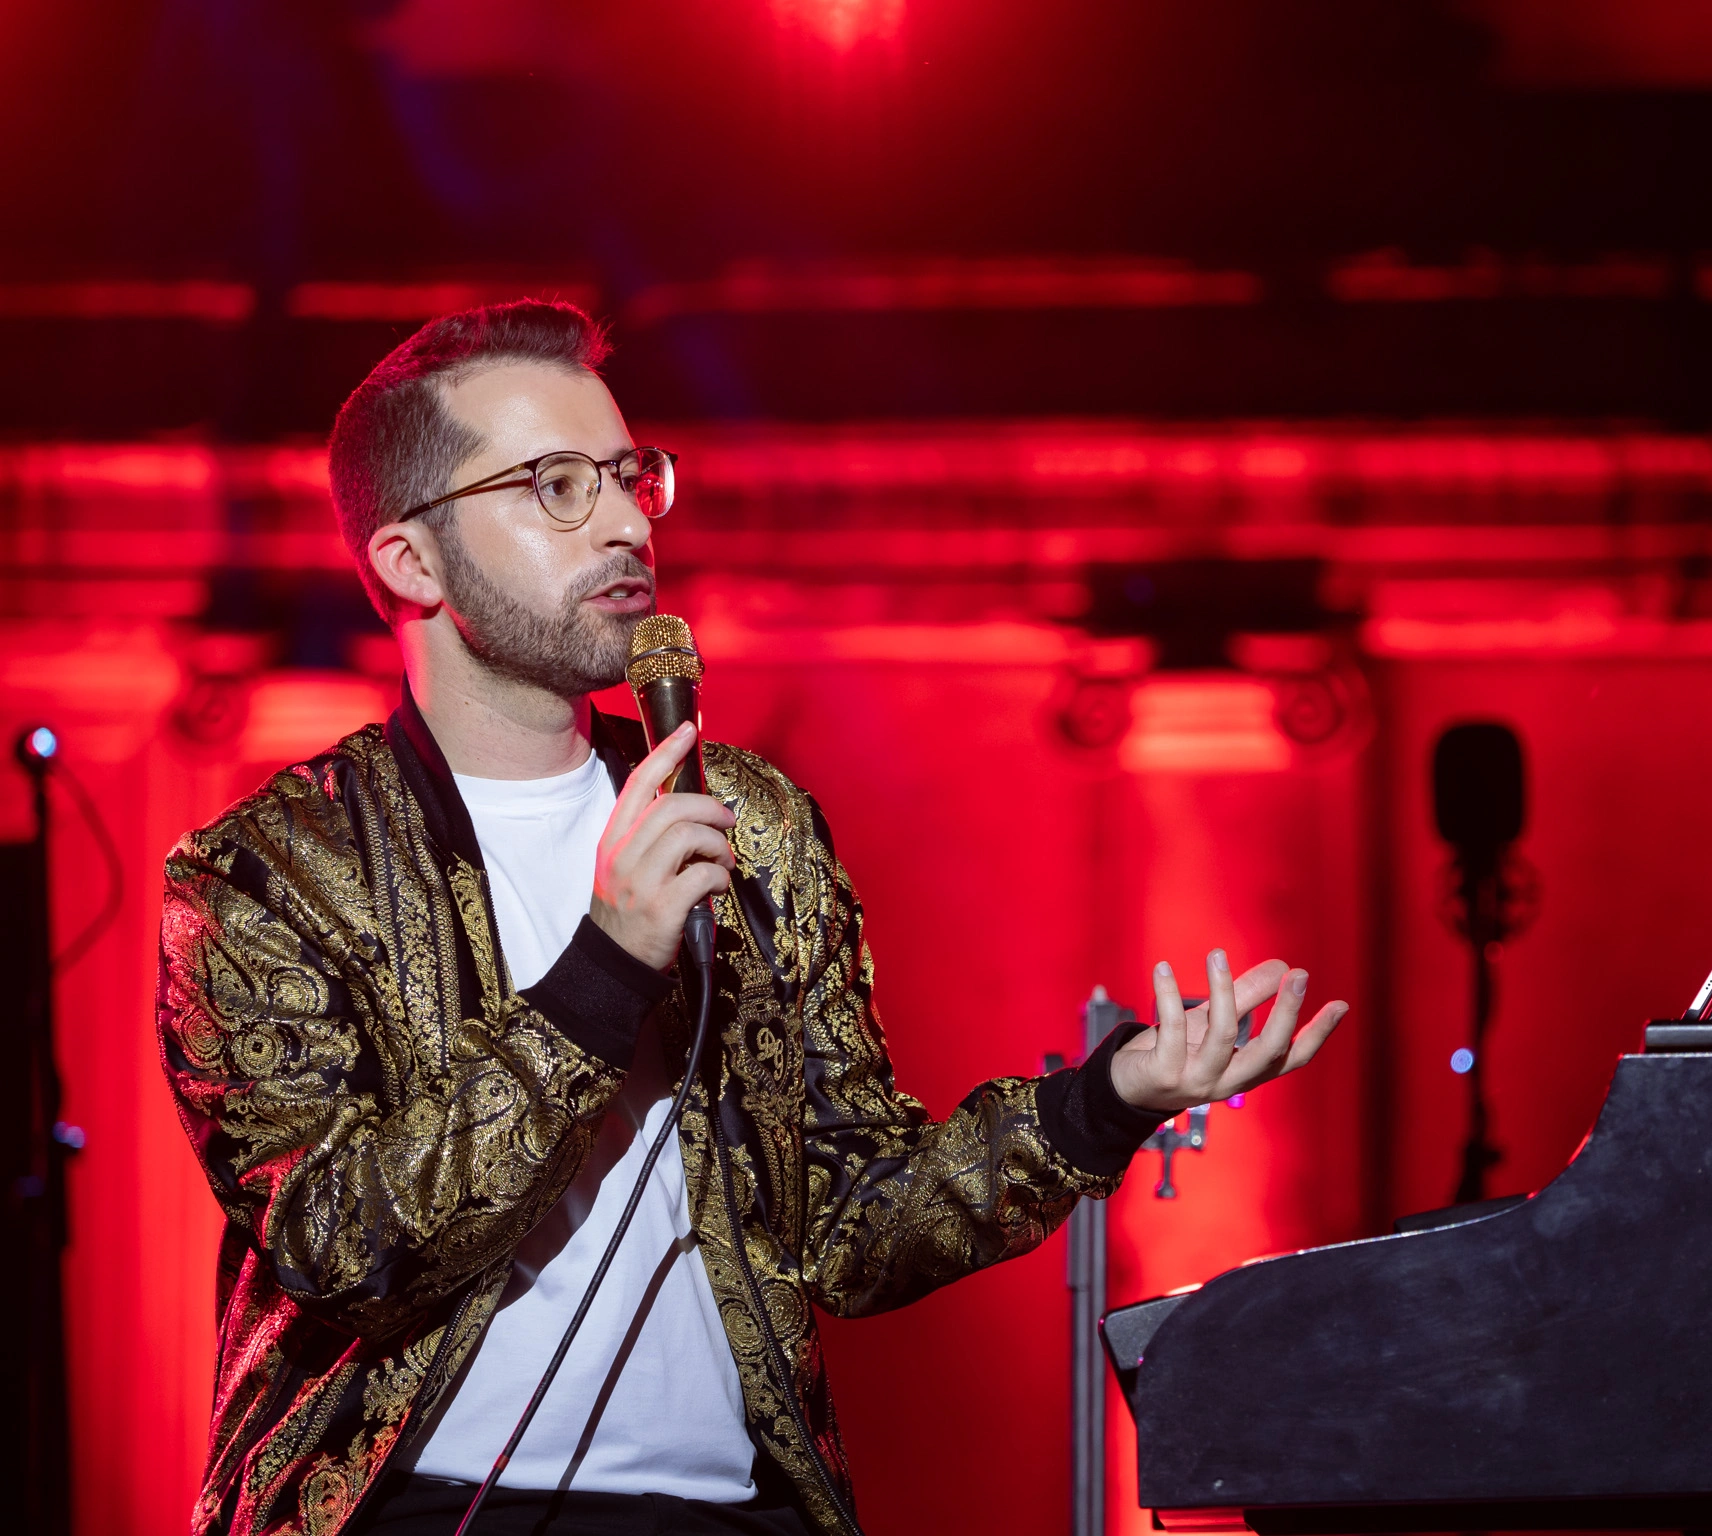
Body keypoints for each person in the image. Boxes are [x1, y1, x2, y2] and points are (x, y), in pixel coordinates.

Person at [157, 300, 1348, 1536]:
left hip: (728, 1512)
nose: (624, 522)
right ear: (411, 561)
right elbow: (345, 1246)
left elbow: (845, 1224)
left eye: (629, 476)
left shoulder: (752, 824)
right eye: (556, 486)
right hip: (418, 1512)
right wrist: (605, 970)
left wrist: (1107, 1102)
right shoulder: (266, 875)